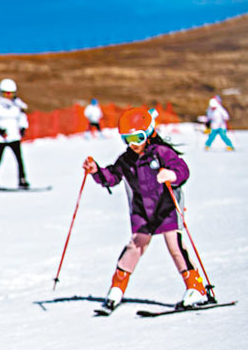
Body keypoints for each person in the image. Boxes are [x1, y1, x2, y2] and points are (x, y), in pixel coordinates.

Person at [82, 107, 207, 311]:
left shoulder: (161, 152)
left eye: (137, 138)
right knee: (136, 245)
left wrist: (171, 175)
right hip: (142, 210)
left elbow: (182, 170)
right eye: (127, 139)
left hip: (166, 207)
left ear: (148, 133)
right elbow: (112, 177)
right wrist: (97, 171)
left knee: (174, 244)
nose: (133, 145)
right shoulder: (126, 160)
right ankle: (117, 287)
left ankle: (196, 287)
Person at [0, 78, 29, 189]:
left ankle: (22, 180)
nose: (8, 96)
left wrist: (23, 127)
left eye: (11, 93)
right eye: (6, 93)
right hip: (1, 138)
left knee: (19, 159)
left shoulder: (17, 106)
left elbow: (22, 117)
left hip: (14, 136)